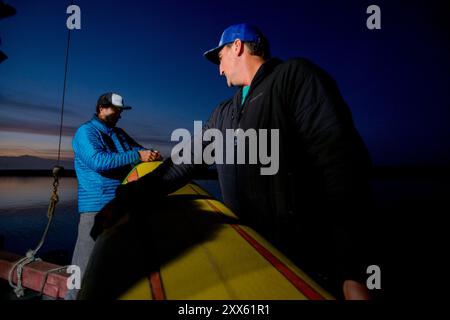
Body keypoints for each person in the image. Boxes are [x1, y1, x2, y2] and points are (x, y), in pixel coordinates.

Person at [93, 24, 376, 299]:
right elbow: (181, 163)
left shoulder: (294, 77)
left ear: (237, 46)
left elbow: (341, 164)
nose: (219, 68)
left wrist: (351, 269)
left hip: (307, 261)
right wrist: (126, 198)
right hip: (252, 255)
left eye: (220, 57)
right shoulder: (224, 113)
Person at [66, 92, 160, 299]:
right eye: (115, 110)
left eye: (121, 111)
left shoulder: (119, 134)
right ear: (101, 108)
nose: (119, 114)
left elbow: (139, 151)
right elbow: (99, 161)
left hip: (121, 206)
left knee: (116, 267)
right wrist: (137, 156)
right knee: (81, 269)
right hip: (96, 209)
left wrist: (149, 155)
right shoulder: (86, 132)